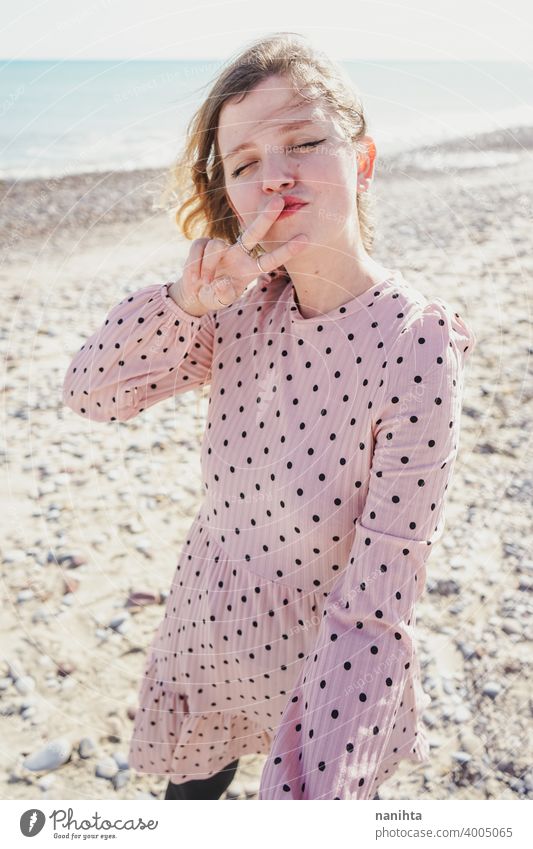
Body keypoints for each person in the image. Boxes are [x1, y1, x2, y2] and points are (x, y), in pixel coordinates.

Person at [62, 32, 476, 800]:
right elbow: (91, 392)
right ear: (230, 194)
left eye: (304, 142)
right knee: (188, 800)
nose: (274, 176)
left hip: (322, 665)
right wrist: (188, 300)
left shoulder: (416, 342)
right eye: (245, 163)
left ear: (362, 160)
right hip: (207, 630)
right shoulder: (236, 314)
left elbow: (383, 588)